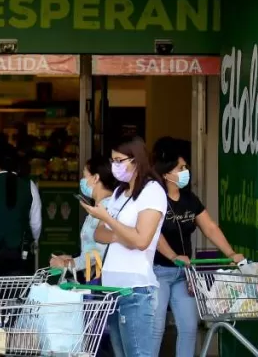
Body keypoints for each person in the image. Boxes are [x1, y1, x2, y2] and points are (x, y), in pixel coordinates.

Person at [150, 137, 244, 357]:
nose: (186, 171)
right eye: (181, 168)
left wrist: (230, 253)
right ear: (166, 173)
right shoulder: (155, 198)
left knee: (190, 327)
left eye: (185, 167)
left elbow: (209, 227)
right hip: (158, 272)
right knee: (155, 329)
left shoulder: (189, 199)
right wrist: (173, 256)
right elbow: (154, 233)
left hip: (184, 274)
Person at [81, 136, 167, 357]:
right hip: (112, 289)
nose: (114, 166)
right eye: (113, 161)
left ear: (136, 160)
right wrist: (123, 235)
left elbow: (141, 241)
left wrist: (111, 222)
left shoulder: (152, 191)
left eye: (119, 160)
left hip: (135, 290)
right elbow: (99, 234)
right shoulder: (119, 193)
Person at [51, 156, 119, 277]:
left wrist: (69, 264)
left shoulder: (107, 207)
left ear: (96, 178)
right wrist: (72, 258)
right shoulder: (98, 207)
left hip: (101, 280)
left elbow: (99, 253)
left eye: (85, 176)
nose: (82, 181)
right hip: (92, 276)